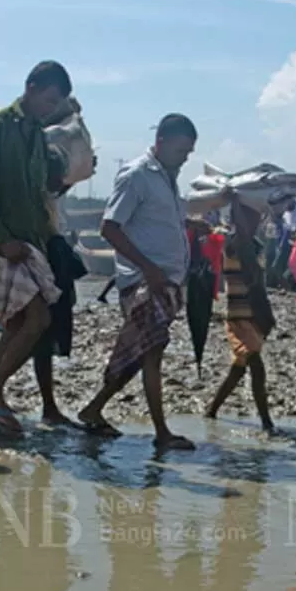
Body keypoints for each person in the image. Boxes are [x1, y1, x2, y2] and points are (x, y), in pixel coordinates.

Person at [77, 114, 227, 449]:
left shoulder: (167, 178)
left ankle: (94, 408)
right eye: (180, 150)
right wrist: (149, 269)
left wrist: (191, 224)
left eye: (189, 152)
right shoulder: (137, 175)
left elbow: (158, 219)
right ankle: (161, 433)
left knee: (142, 352)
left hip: (165, 282)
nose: (185, 157)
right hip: (144, 283)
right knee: (152, 350)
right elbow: (110, 227)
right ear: (161, 143)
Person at [0, 61, 74, 435]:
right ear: (30, 88)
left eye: (54, 104)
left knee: (17, 323)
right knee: (38, 319)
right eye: (48, 100)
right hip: (4, 241)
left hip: (30, 241)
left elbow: (42, 189)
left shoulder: (37, 136)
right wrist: (1, 238)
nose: (49, 108)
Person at [204, 200, 277, 432]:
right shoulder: (233, 244)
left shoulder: (254, 245)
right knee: (256, 364)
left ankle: (212, 410)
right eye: (249, 217)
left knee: (239, 367)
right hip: (238, 315)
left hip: (253, 315)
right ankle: (266, 422)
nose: (254, 221)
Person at [35, 190, 90, 426]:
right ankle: (47, 407)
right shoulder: (41, 205)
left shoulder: (48, 200)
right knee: (40, 344)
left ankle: (48, 407)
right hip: (49, 273)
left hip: (49, 268)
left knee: (39, 346)